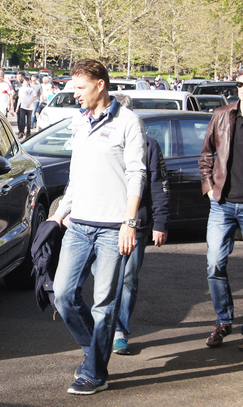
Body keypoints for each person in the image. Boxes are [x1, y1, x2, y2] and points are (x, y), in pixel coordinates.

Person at [48, 59, 146, 395]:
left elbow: (137, 175)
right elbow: (77, 175)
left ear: (100, 85)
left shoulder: (129, 122)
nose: (74, 94)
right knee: (62, 295)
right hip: (78, 225)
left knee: (104, 304)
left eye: (80, 88)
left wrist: (129, 222)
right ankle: (94, 351)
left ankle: (93, 373)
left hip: (113, 229)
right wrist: (59, 213)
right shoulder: (79, 122)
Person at [111, 93, 170, 355]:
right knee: (104, 278)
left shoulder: (149, 146)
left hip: (138, 224)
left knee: (128, 279)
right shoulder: (104, 142)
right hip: (105, 221)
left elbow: (159, 187)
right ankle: (104, 326)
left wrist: (161, 223)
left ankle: (119, 330)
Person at [198, 71, 243, 350]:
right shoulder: (223, 115)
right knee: (214, 262)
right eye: (240, 84)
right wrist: (209, 188)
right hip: (223, 203)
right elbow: (205, 154)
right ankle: (223, 320)